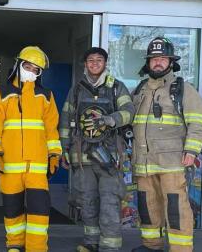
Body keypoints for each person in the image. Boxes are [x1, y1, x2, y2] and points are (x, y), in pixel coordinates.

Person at [129, 37, 202, 252]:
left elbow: (199, 123)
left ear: (171, 62)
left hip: (172, 163)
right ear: (148, 63)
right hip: (143, 163)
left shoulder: (183, 89)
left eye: (163, 58)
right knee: (147, 207)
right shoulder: (139, 90)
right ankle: (151, 245)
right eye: (154, 59)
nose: (158, 62)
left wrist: (192, 150)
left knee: (176, 209)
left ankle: (180, 249)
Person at [58, 47, 134, 252]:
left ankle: (110, 246)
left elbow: (129, 112)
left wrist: (111, 120)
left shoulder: (117, 87)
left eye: (99, 60)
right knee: (87, 200)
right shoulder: (76, 91)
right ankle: (91, 242)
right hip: (82, 156)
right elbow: (65, 121)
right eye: (90, 60)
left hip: (109, 157)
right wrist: (64, 149)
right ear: (85, 64)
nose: (94, 64)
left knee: (110, 201)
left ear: (105, 63)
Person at [0, 46, 61, 252]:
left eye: (36, 69)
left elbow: (51, 131)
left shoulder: (46, 96)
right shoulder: (0, 93)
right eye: (27, 66)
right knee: (12, 209)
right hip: (9, 165)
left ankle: (37, 248)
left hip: (37, 166)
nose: (31, 71)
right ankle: (15, 245)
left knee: (39, 211)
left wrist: (54, 155)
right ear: (18, 65)